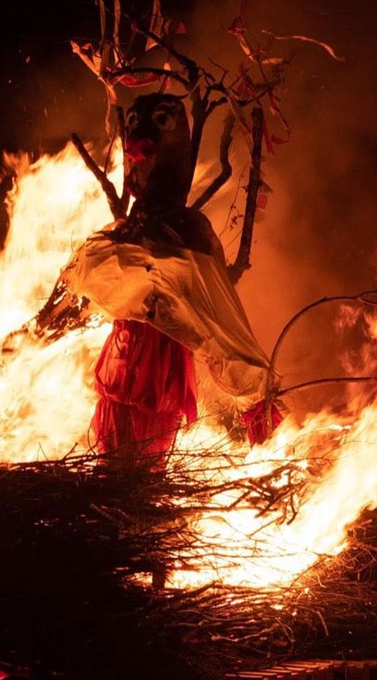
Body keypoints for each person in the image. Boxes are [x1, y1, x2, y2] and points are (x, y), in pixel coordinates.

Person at [62, 92, 280, 468]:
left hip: (156, 376)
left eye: (148, 154)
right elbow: (89, 281)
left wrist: (254, 396)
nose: (139, 167)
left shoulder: (184, 233)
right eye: (134, 157)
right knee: (115, 467)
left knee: (138, 470)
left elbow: (218, 323)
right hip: (123, 367)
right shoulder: (126, 231)